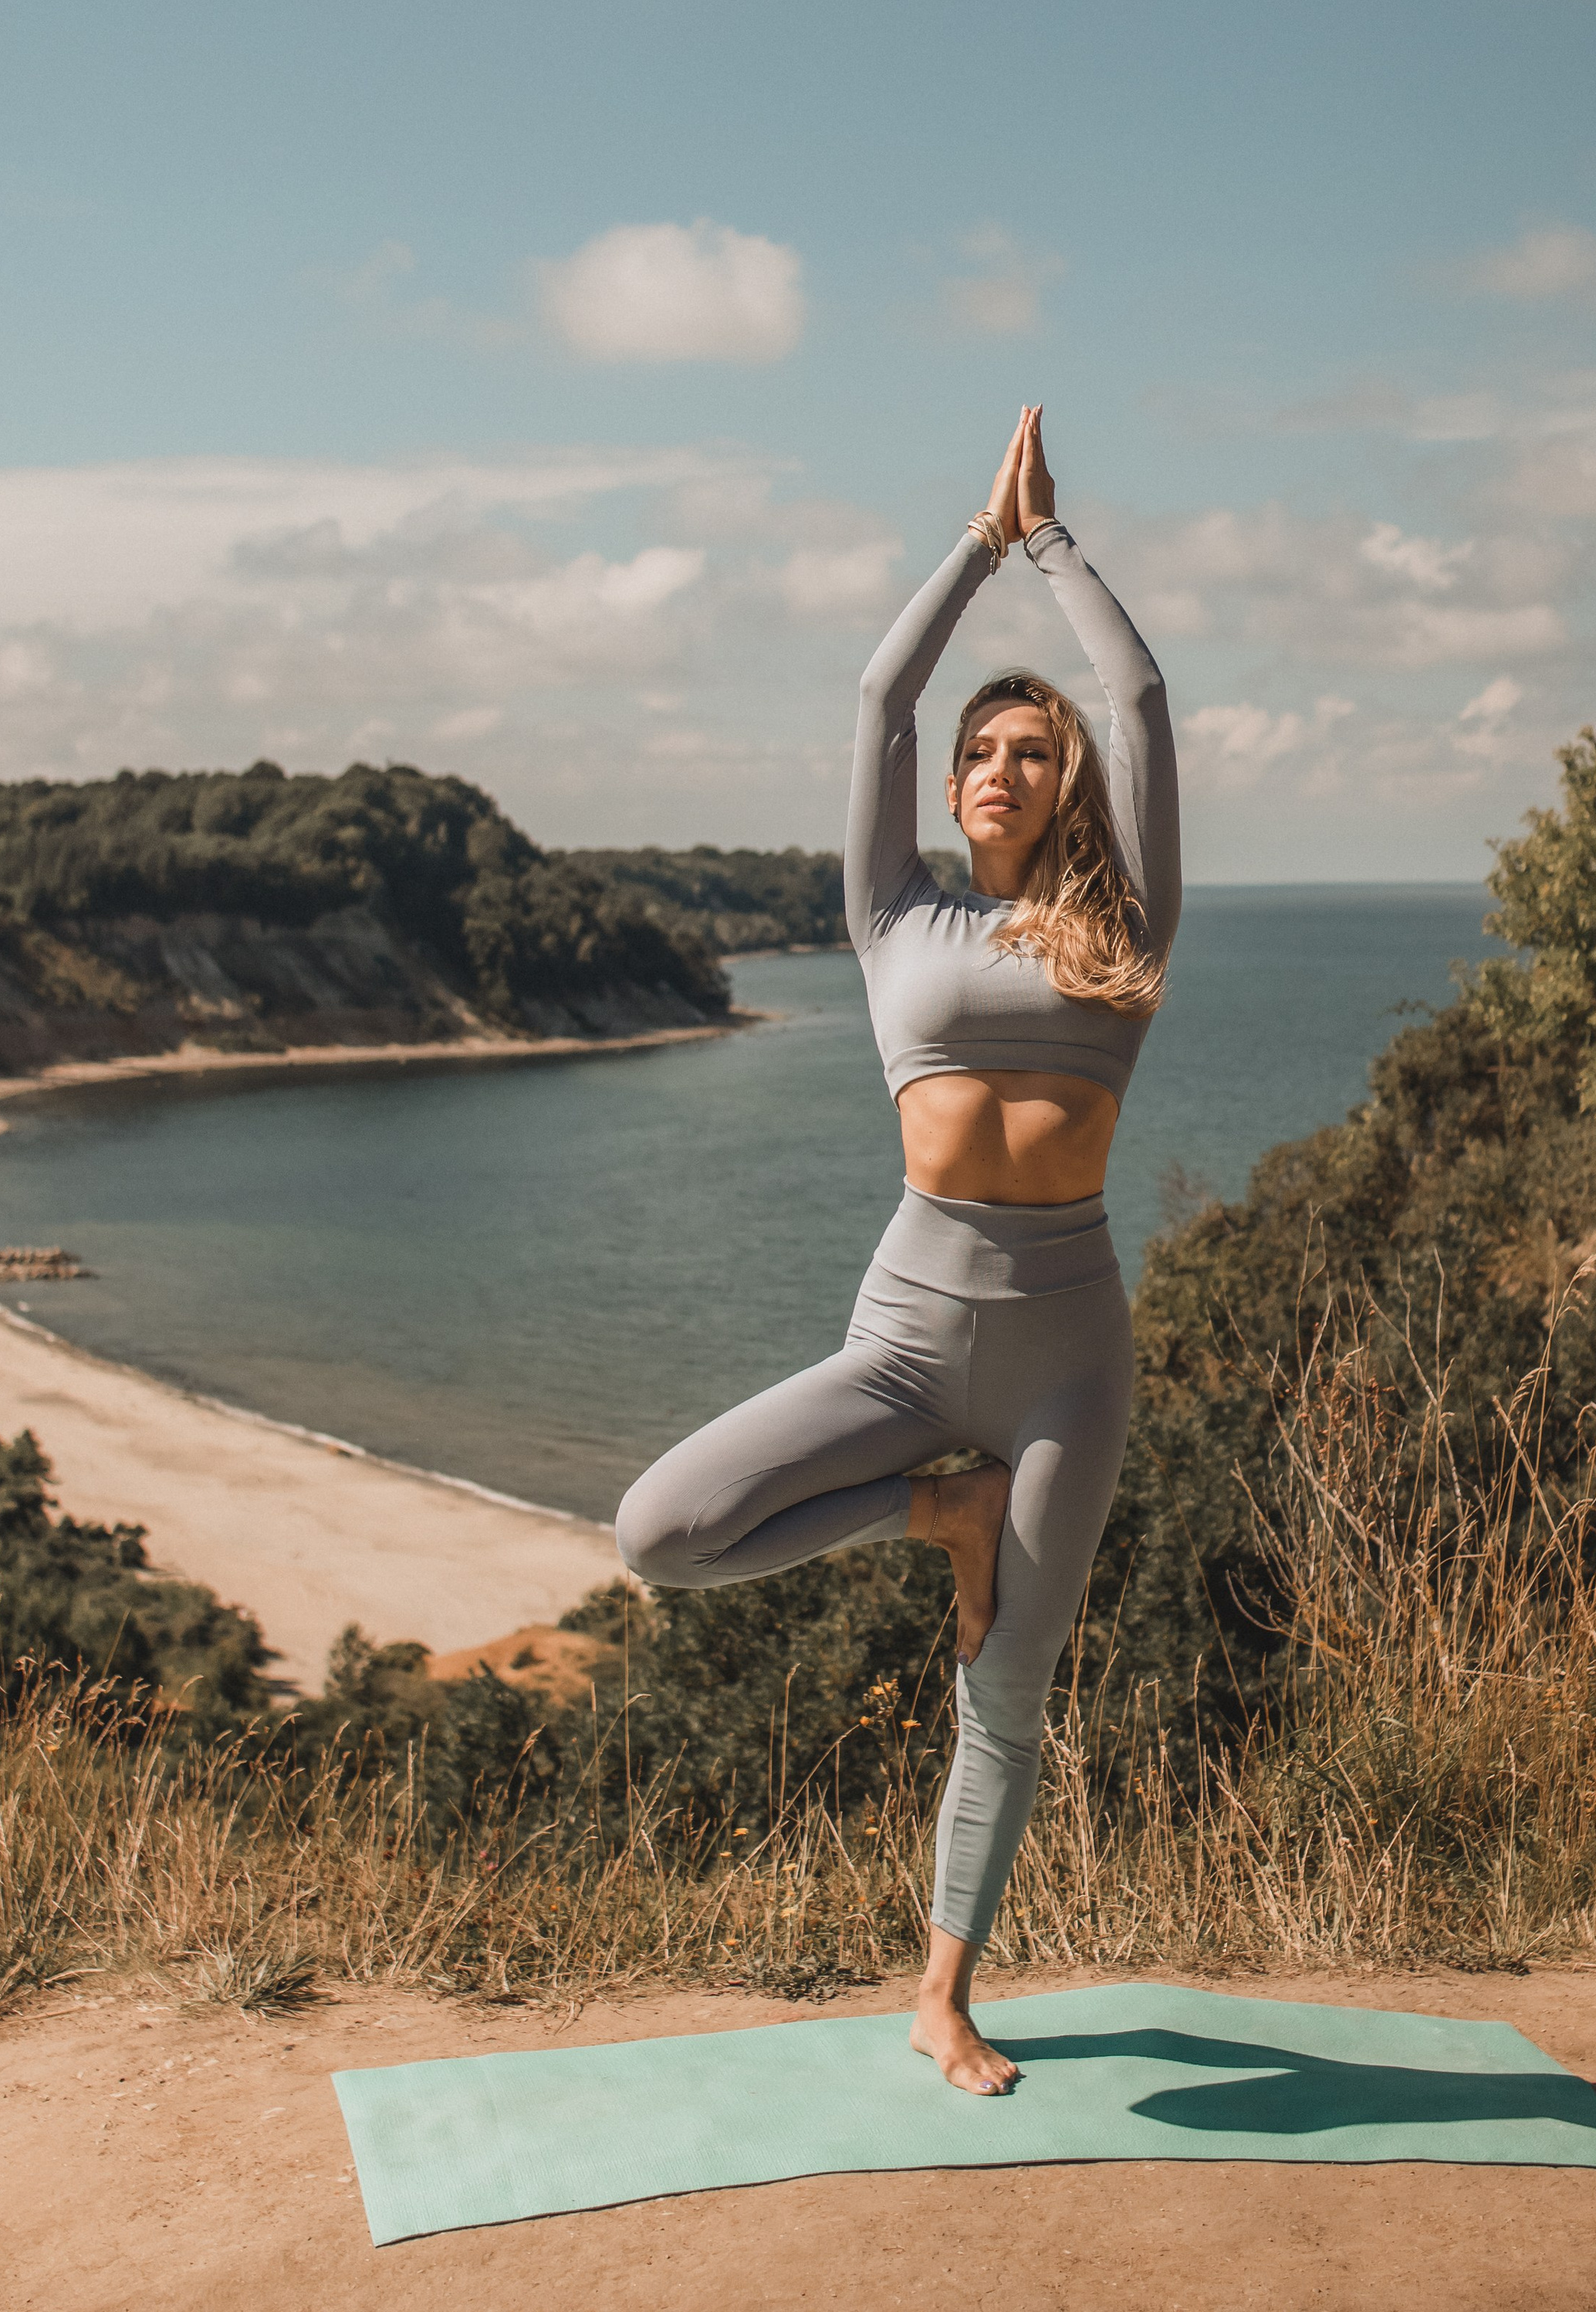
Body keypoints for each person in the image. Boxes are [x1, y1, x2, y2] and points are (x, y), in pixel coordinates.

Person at [615, 406, 1181, 2094]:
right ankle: (935, 1512)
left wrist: (1055, 547)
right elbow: (877, 699)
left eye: (1031, 750)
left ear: (1066, 783)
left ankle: (942, 1993)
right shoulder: (891, 919)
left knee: (1007, 1687)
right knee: (663, 1531)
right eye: (979, 751)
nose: (1001, 765)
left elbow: (1143, 701)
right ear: (946, 787)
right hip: (908, 1333)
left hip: (1069, 1353)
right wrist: (976, 542)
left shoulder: (1126, 925)